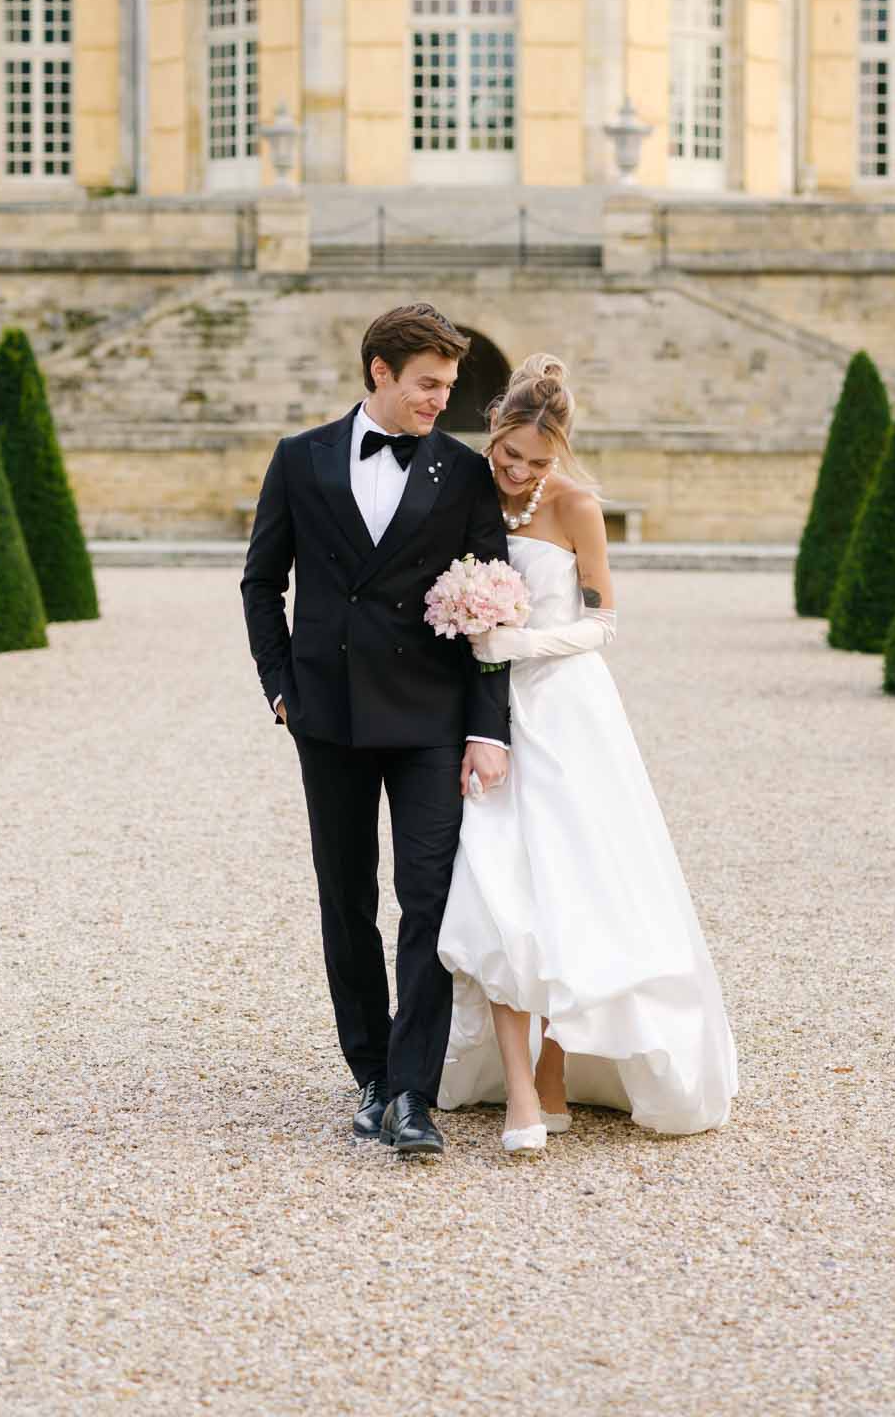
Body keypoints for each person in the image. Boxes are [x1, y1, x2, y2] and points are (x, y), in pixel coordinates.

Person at [437, 354, 738, 1150]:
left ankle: (553, 1076)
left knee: (574, 888)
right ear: (493, 432)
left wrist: (518, 639)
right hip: (484, 712)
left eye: (536, 462)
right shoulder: (466, 487)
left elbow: (604, 623)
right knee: (497, 884)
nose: (517, 471)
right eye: (509, 455)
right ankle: (520, 1097)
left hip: (564, 709)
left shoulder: (576, 505)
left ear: (559, 455)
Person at [240, 303, 511, 1161]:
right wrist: (281, 688)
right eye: (428, 385)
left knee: (428, 898)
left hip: (429, 715)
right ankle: (367, 1070)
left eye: (450, 387)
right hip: (327, 714)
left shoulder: (463, 474)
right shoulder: (300, 459)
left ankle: (411, 1091)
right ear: (379, 373)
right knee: (346, 897)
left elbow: (493, 606)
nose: (441, 401)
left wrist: (488, 728)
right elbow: (260, 583)